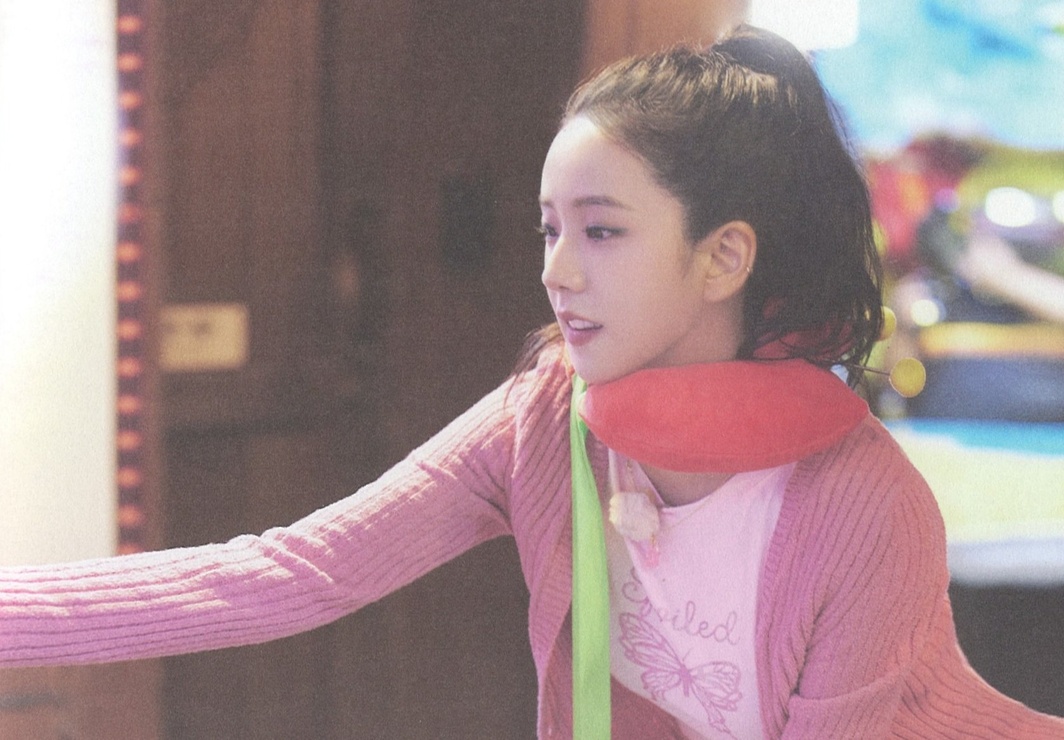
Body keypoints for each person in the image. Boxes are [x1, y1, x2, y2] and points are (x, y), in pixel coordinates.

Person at [3, 25, 1062, 739]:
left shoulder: (863, 505)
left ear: (723, 256)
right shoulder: (548, 415)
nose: (556, 271)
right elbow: (294, 571)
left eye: (601, 231)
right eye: (548, 229)